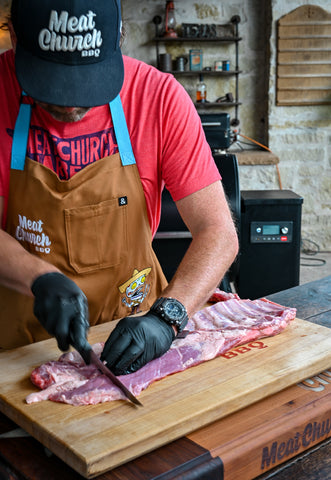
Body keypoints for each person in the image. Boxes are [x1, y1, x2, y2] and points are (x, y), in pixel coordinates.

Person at [0, 0, 238, 375]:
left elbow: (218, 232)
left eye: (88, 82)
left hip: (133, 332)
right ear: (13, 37)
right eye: (52, 82)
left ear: (119, 39)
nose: (72, 101)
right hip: (18, 348)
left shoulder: (159, 98)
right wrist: (37, 276)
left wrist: (167, 317)